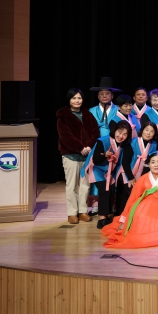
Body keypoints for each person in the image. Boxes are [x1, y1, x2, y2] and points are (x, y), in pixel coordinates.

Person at [101, 153, 158, 249]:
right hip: (146, 208)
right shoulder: (142, 179)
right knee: (140, 222)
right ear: (148, 164)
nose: (156, 165)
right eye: (153, 162)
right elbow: (132, 199)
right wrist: (123, 220)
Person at [57, 88, 100, 224]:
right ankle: (72, 213)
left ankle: (82, 211)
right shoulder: (63, 117)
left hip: (86, 156)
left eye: (79, 98)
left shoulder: (87, 114)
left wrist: (88, 147)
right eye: (74, 98)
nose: (77, 101)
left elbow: (95, 132)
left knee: (85, 185)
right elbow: (65, 137)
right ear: (69, 100)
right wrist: (80, 148)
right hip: (70, 155)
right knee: (72, 186)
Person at [81, 120, 132, 228]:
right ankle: (102, 219)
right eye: (119, 132)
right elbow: (95, 160)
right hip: (97, 169)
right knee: (105, 189)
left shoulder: (124, 145)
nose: (121, 136)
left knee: (111, 189)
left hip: (109, 171)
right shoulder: (103, 140)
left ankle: (108, 215)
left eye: (124, 134)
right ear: (115, 131)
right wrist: (104, 155)